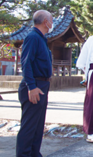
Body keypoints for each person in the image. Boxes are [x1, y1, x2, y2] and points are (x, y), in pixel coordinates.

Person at [16, 10, 54, 157]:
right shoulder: (32, 37)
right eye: (51, 20)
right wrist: (31, 87)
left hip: (42, 85)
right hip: (34, 85)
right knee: (29, 127)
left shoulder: (42, 39)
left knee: (38, 127)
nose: (52, 23)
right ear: (46, 22)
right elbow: (26, 63)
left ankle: (34, 154)